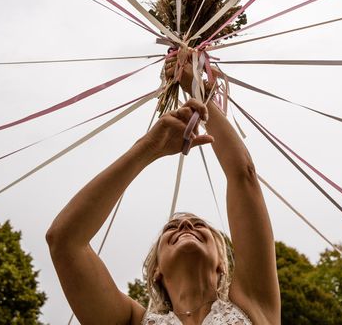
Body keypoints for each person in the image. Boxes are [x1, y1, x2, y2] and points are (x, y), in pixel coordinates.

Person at [46, 58, 280, 324]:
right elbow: (64, 240)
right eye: (172, 228)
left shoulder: (254, 304)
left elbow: (244, 177)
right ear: (156, 270)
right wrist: (147, 148)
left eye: (198, 224)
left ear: (222, 265)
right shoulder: (130, 321)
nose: (185, 226)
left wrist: (197, 93)